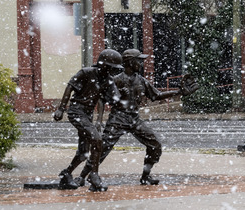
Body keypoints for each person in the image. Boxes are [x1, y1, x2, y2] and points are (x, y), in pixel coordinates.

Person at [81, 49, 198, 186]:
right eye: (139, 61)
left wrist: (179, 92)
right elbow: (101, 99)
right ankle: (83, 176)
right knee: (102, 149)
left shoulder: (141, 80)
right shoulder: (116, 80)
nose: (141, 64)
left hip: (134, 119)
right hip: (118, 119)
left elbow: (156, 95)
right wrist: (99, 120)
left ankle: (145, 176)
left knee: (155, 145)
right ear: (130, 62)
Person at [53, 49, 123, 192]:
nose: (112, 71)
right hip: (76, 111)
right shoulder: (86, 72)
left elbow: (106, 100)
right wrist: (61, 108)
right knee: (97, 140)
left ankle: (66, 174)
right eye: (110, 67)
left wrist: (99, 120)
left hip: (88, 115)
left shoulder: (108, 80)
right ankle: (94, 176)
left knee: (83, 153)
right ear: (103, 64)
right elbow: (70, 87)